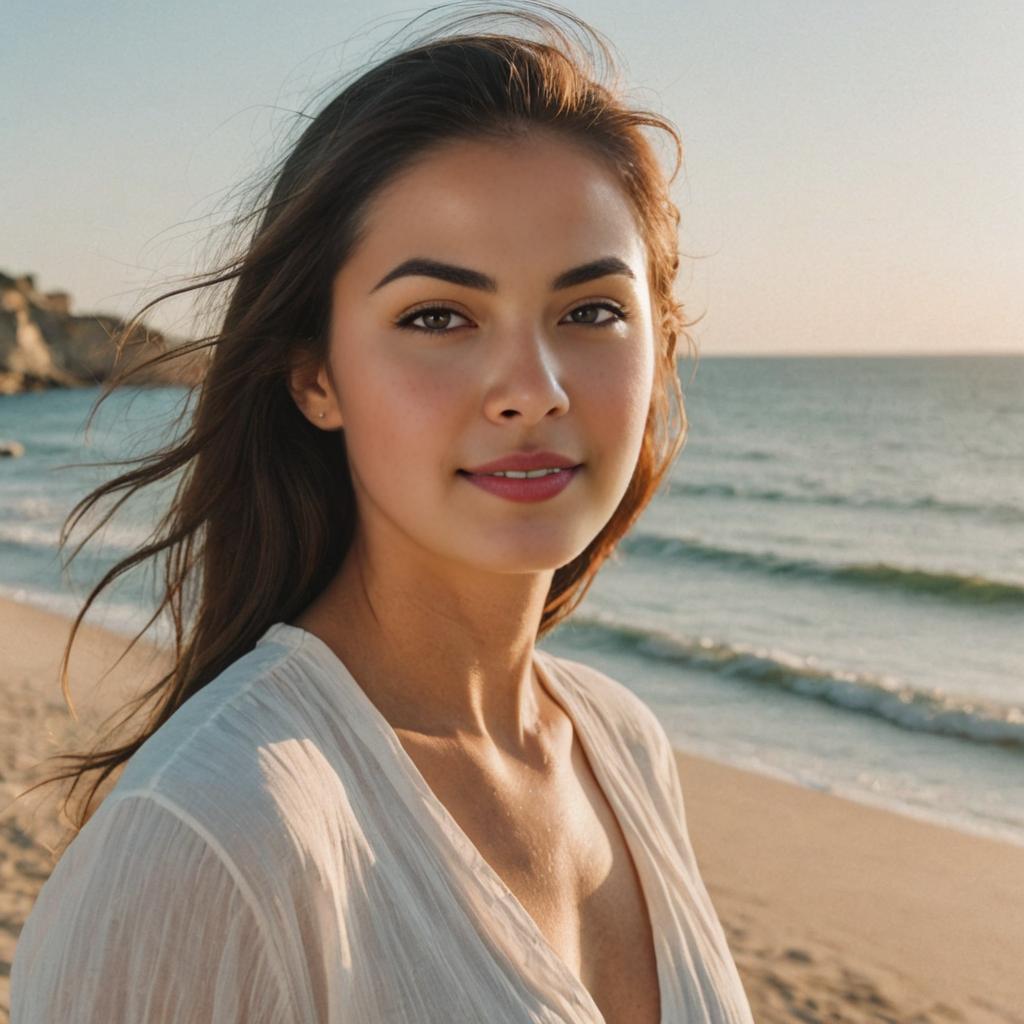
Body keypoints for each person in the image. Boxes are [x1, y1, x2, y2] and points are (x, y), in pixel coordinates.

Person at [11, 3, 754, 1021]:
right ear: (315, 374)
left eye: (589, 311)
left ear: (657, 343)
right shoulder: (211, 836)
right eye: (437, 316)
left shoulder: (622, 746)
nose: (531, 388)